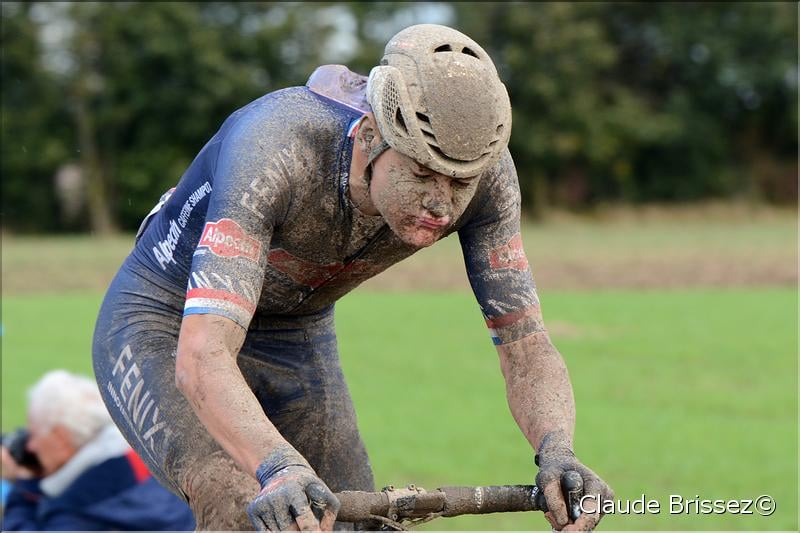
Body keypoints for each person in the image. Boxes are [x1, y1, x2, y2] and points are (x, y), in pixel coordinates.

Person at [92, 23, 613, 531]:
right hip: (165, 320)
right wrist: (278, 467)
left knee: (356, 523)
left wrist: (559, 452)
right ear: (370, 136)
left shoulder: (491, 180)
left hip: (297, 330)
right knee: (239, 497)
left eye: (460, 184)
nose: (441, 203)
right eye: (422, 173)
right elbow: (202, 354)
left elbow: (524, 345)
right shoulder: (276, 148)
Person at [0, 370, 195, 531]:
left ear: (60, 438)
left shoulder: (79, 508)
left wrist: (24, 487)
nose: (30, 446)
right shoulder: (145, 450)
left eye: (35, 434)